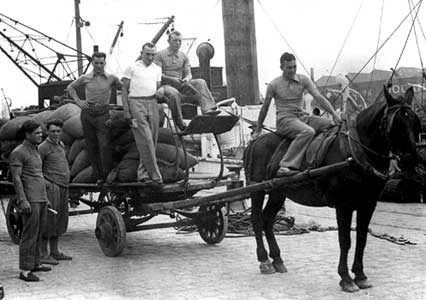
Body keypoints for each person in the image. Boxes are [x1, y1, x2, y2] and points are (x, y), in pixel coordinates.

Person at [252, 52, 341, 176]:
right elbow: (264, 108)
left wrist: (334, 115)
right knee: (308, 132)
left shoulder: (303, 79)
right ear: (281, 68)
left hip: (302, 117)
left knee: (333, 125)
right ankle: (285, 166)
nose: (292, 70)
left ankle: (315, 160)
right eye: (289, 67)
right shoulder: (274, 84)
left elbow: (319, 97)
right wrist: (258, 128)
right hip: (285, 120)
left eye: (294, 67)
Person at [67, 52, 122, 184]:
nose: (98, 66)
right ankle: (97, 176)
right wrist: (79, 102)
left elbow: (124, 87)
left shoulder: (111, 78)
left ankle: (106, 175)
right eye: (96, 63)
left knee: (104, 144)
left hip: (103, 113)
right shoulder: (85, 77)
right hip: (88, 113)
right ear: (92, 63)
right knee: (91, 146)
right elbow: (70, 88)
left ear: (105, 63)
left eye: (101, 63)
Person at [9, 120, 52, 282]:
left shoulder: (35, 151)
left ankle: (35, 263)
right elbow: (17, 178)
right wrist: (22, 200)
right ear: (27, 135)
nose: (41, 135)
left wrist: (45, 198)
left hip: (40, 198)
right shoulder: (19, 152)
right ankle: (25, 270)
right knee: (29, 234)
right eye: (37, 133)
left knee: (39, 232)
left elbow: (38, 176)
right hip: (30, 199)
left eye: (41, 133)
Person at [154, 30, 219, 129]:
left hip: (180, 84)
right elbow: (158, 75)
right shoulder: (160, 55)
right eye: (175, 40)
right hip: (166, 86)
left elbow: (188, 73)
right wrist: (172, 79)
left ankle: (208, 109)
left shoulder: (183, 56)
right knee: (174, 94)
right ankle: (180, 123)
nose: (178, 43)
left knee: (200, 82)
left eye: (180, 41)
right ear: (168, 41)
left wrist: (186, 79)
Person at [121, 42, 163, 184]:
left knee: (153, 139)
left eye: (153, 54)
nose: (150, 57)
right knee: (146, 139)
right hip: (136, 102)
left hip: (152, 102)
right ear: (141, 53)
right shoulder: (132, 67)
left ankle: (142, 174)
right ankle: (156, 176)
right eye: (147, 54)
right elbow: (124, 90)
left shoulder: (157, 69)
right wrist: (127, 112)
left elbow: (157, 88)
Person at [38, 119, 72, 265]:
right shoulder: (42, 147)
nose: (56, 134)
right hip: (52, 187)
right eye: (53, 131)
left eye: (58, 131)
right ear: (47, 132)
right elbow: (36, 169)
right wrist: (47, 185)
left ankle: (55, 251)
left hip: (63, 186)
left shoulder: (61, 144)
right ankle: (43, 255)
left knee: (60, 219)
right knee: (49, 220)